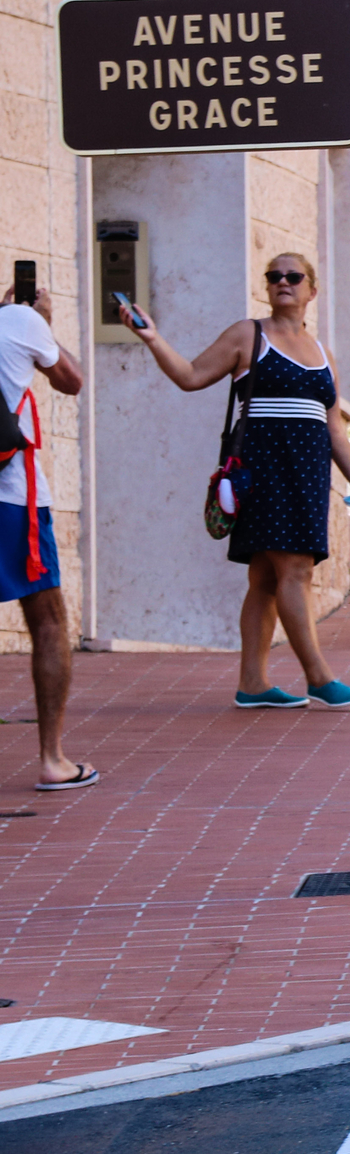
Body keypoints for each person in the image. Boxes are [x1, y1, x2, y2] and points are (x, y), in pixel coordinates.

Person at [120, 254, 350, 708]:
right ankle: (319, 677)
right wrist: (151, 338)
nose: (282, 282)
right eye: (274, 276)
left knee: (265, 577)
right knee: (295, 569)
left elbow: (334, 430)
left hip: (306, 474)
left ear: (312, 290)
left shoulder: (324, 354)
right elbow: (189, 376)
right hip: (264, 470)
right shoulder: (249, 334)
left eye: (293, 276)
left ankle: (253, 684)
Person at [0, 276, 94, 789]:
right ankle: (53, 759)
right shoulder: (19, 321)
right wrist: (42, 321)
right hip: (10, 497)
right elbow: (70, 379)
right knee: (48, 619)